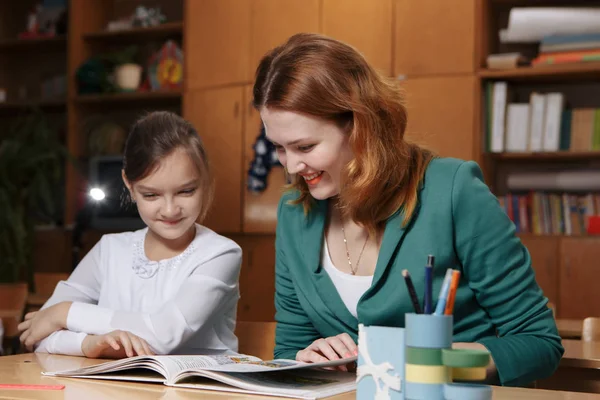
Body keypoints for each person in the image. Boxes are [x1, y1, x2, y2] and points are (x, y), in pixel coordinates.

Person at [253, 33, 563, 387]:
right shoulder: (295, 213)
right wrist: (306, 359)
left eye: (305, 146)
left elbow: (539, 344)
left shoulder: (453, 190)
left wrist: (432, 366)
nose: (291, 166)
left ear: (360, 126)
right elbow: (290, 349)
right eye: (279, 147)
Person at [18, 111, 242, 359]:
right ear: (130, 186)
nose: (170, 209)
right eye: (151, 195)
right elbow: (38, 335)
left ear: (205, 180)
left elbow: (164, 336)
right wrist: (87, 345)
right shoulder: (109, 250)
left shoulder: (220, 254)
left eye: (186, 191)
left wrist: (64, 313)